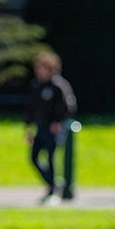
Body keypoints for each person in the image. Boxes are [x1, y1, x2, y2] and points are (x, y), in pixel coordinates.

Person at [24, 52, 77, 205]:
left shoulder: (58, 85)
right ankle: (53, 183)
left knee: (51, 157)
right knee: (34, 157)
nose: (38, 71)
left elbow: (69, 107)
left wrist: (58, 122)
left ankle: (54, 189)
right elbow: (31, 109)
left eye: (41, 68)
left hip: (53, 129)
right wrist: (29, 127)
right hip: (40, 128)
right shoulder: (36, 86)